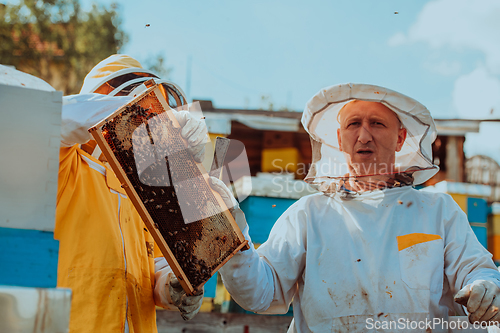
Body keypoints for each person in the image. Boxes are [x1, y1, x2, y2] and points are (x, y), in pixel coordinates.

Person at [211, 83, 500, 332]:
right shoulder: (308, 214)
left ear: (400, 138)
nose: (363, 136)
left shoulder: (439, 211)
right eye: (353, 124)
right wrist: (233, 244)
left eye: (377, 123)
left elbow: (477, 271)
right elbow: (262, 292)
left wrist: (484, 288)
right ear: (339, 139)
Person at [55, 54, 207, 333]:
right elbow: (55, 117)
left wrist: (171, 286)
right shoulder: (62, 164)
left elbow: (151, 267)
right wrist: (154, 119)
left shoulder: (142, 193)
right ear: (103, 97)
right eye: (145, 106)